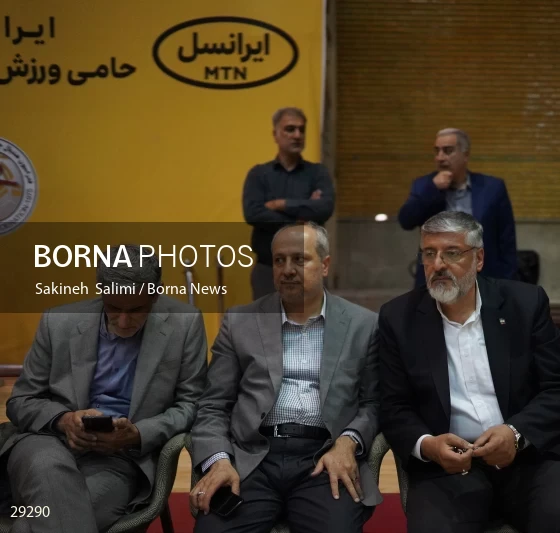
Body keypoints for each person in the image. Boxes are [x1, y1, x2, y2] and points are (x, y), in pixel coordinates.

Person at [378, 211, 560, 533]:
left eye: (451, 253)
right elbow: (393, 405)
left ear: (478, 258)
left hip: (532, 458)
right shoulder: (399, 318)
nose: (438, 264)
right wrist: (428, 445)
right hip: (448, 468)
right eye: (429, 253)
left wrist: (515, 433)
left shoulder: (524, 303)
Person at [1, 244, 209, 533]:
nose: (123, 321)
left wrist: (138, 434)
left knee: (32, 526)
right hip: (47, 441)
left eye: (136, 310)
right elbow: (21, 400)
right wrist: (64, 420)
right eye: (113, 308)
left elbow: (192, 404)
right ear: (101, 291)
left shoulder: (185, 323)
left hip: (119, 458)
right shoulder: (58, 322)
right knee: (48, 466)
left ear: (155, 294)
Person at [190, 222, 381, 533]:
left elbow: (373, 403)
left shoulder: (364, 325)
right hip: (252, 457)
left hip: (323, 457)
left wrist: (348, 442)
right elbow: (213, 405)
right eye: (279, 260)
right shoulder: (240, 321)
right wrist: (220, 460)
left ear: (325, 265)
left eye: (299, 259)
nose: (287, 270)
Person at [397, 128, 517, 288]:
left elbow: (507, 239)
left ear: (465, 155)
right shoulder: (424, 185)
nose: (440, 157)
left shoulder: (492, 188)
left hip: (483, 277)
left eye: (448, 151)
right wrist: (433, 188)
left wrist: (508, 284)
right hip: (438, 276)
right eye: (437, 151)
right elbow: (406, 221)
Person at [242, 107, 335, 299]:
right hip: (268, 271)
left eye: (302, 130)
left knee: (309, 318)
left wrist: (281, 204)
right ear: (275, 134)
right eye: (290, 129)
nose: (297, 135)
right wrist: (301, 219)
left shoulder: (317, 173)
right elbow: (253, 213)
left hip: (308, 270)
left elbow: (324, 208)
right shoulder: (259, 174)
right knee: (267, 319)